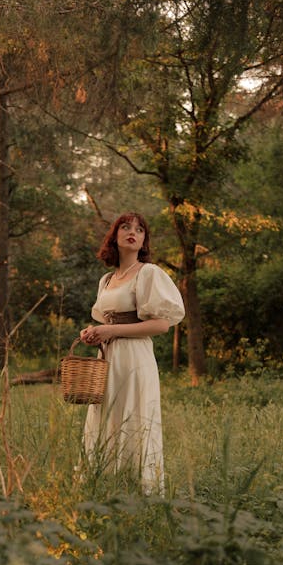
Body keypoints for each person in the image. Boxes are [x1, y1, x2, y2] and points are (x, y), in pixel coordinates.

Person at [80, 212, 185, 494]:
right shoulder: (106, 280)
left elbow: (162, 325)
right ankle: (105, 488)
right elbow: (107, 322)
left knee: (134, 417)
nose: (132, 232)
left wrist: (111, 332)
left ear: (143, 241)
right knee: (105, 419)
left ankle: (139, 491)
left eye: (139, 229)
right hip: (108, 358)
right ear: (115, 236)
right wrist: (94, 332)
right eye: (125, 227)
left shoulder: (148, 273)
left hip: (135, 359)